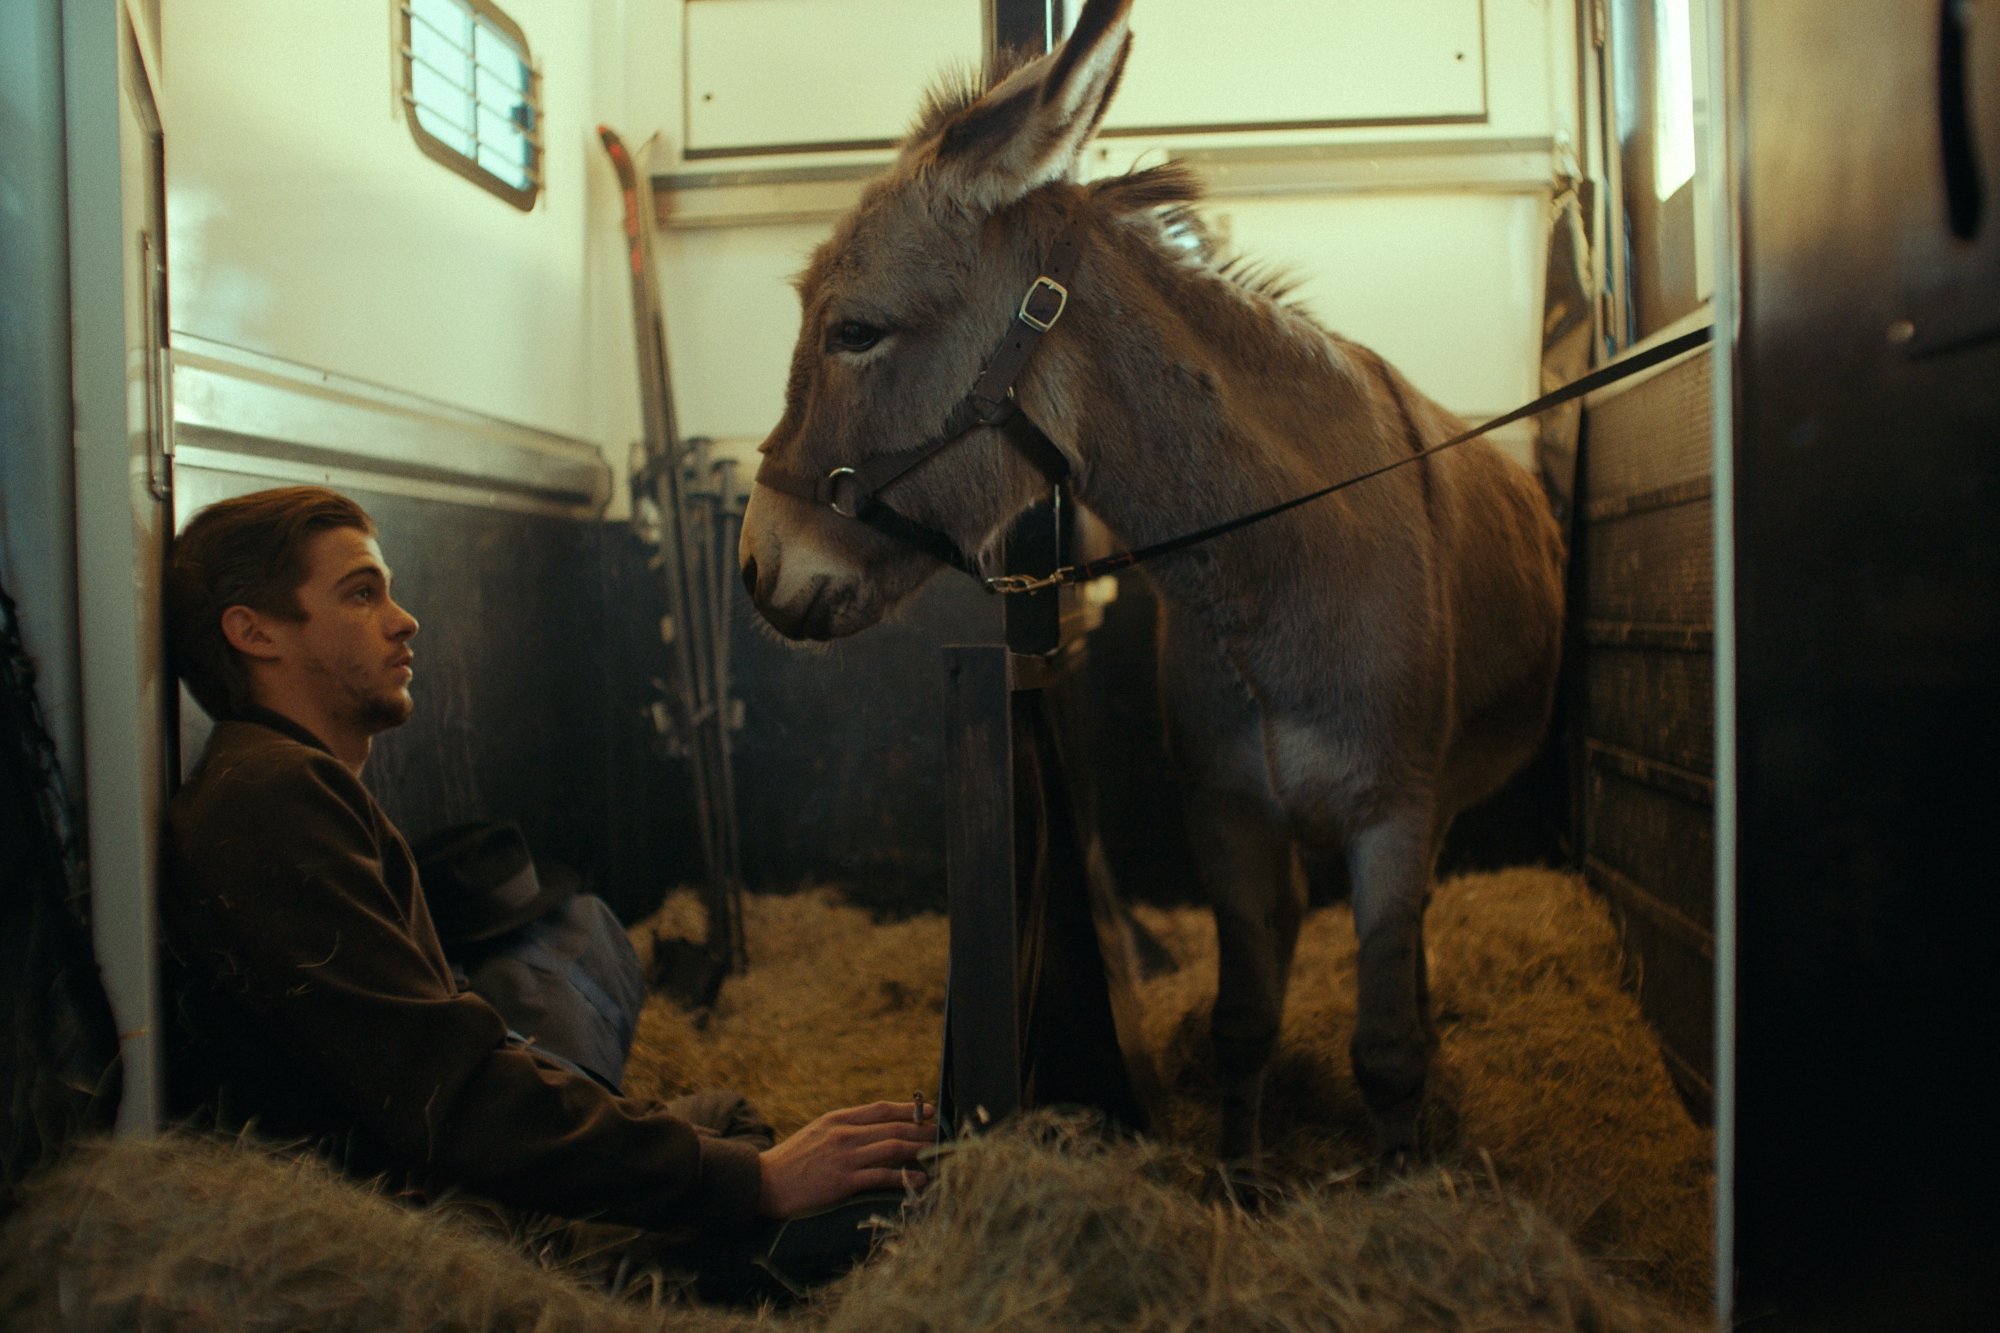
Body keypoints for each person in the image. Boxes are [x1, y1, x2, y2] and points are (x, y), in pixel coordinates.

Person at [159, 485, 933, 1299]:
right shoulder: (270, 798)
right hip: (441, 1251)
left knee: (727, 1117)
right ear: (253, 631)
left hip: (464, 1194)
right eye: (360, 592)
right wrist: (759, 1183)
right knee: (857, 1213)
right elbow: (451, 1097)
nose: (403, 618)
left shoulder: (288, 779)